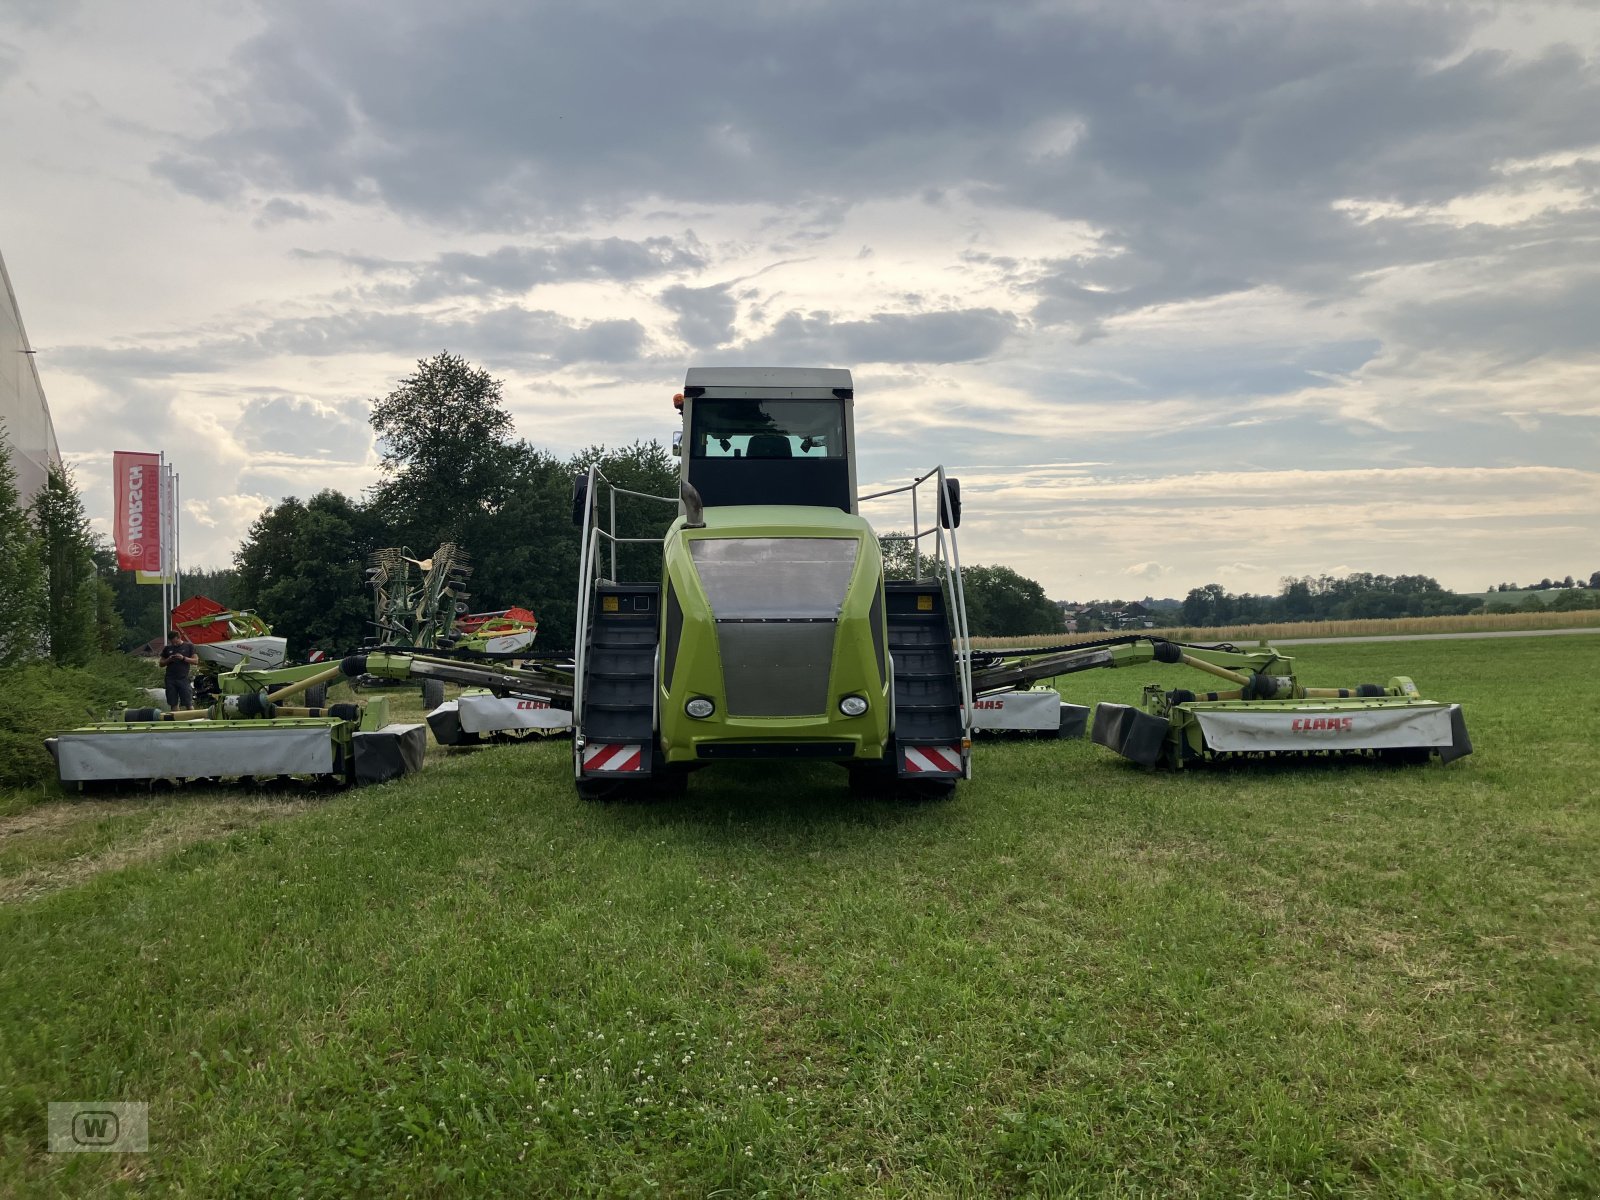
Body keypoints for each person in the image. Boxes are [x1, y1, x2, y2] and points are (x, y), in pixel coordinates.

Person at [160, 628, 199, 711]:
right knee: (173, 703)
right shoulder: (167, 648)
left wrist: (183, 658)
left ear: (179, 637)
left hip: (183, 678)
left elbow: (195, 661)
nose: (174, 644)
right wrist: (169, 659)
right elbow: (161, 663)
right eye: (172, 642)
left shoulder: (189, 646)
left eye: (176, 642)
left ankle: (193, 719)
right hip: (170, 678)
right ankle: (176, 720)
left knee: (188, 702)